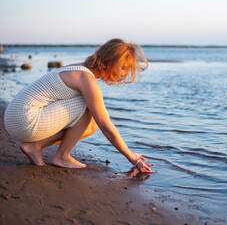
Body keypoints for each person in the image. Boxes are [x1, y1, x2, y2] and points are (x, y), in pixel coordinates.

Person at [4, 39, 153, 173]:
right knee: (90, 109)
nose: (123, 74)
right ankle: (62, 156)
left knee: (92, 124)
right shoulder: (86, 79)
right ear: (110, 61)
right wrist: (132, 157)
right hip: (24, 120)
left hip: (15, 117)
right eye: (123, 67)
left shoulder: (80, 69)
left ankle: (35, 146)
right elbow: (107, 127)